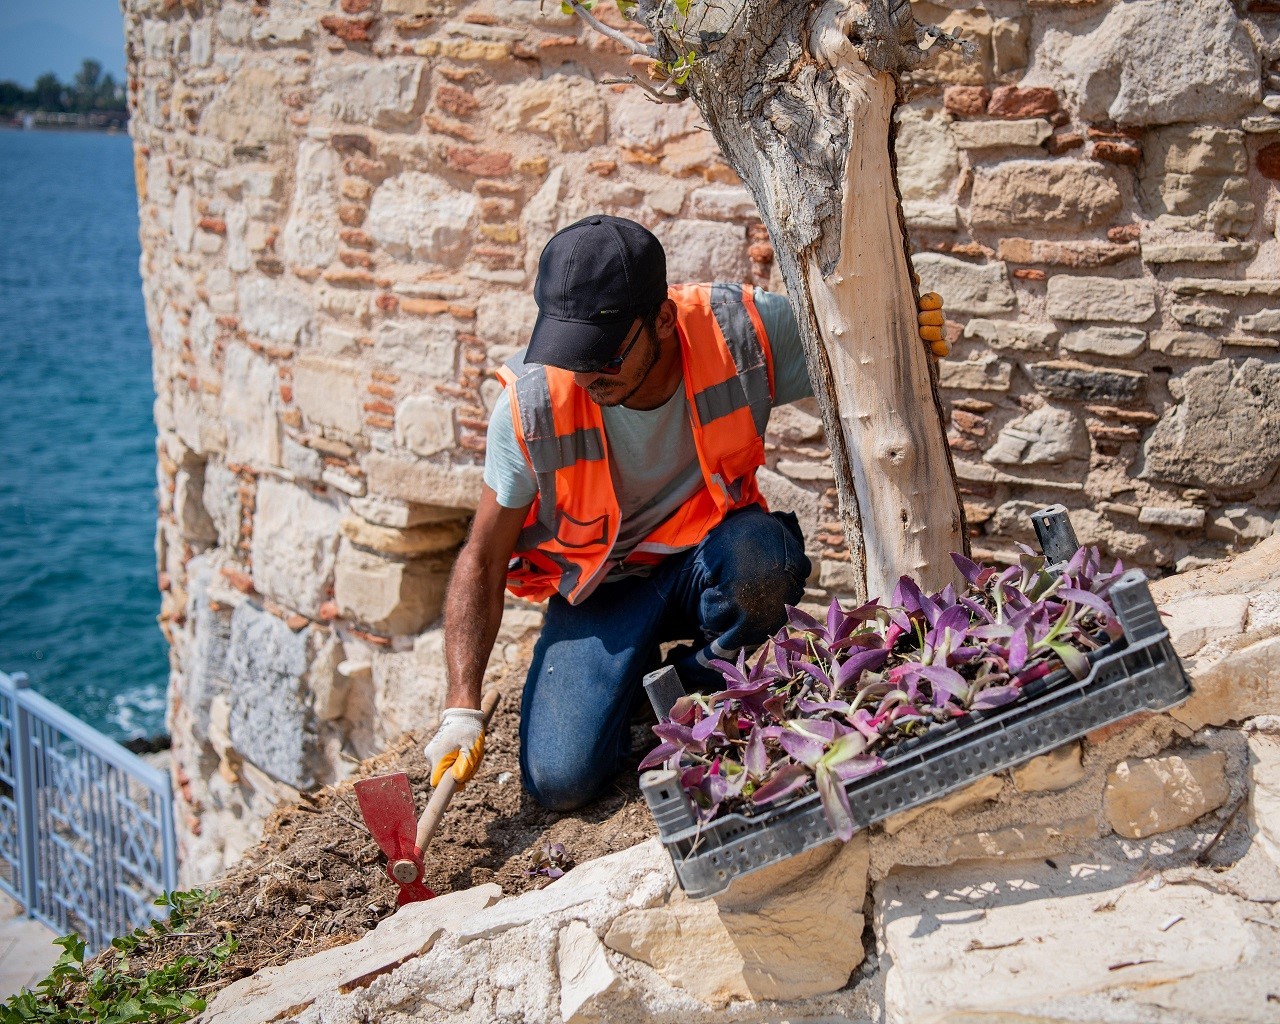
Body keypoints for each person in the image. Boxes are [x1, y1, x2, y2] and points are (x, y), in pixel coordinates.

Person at [424, 215, 947, 811]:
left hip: (711, 555)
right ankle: (632, 678)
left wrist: (901, 332)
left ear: (664, 320)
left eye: (605, 356)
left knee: (762, 566)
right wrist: (461, 709)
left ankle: (696, 682)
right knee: (560, 781)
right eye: (572, 355)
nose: (587, 375)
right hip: (603, 591)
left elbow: (851, 337)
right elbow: (483, 557)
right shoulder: (529, 407)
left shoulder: (739, 334)